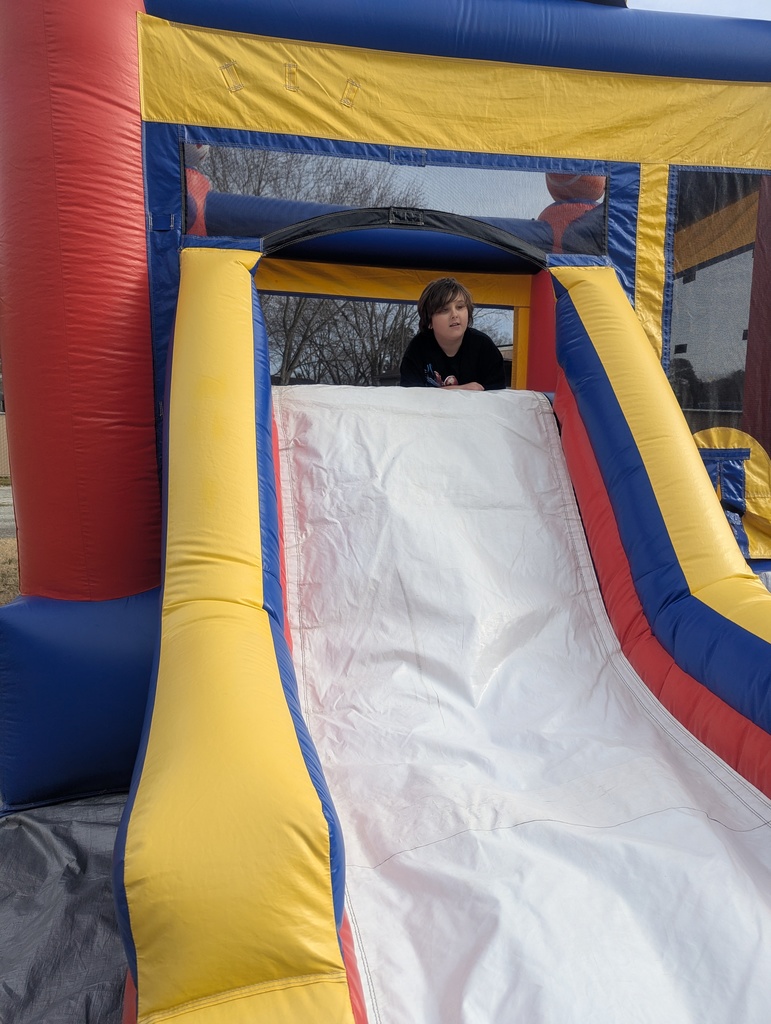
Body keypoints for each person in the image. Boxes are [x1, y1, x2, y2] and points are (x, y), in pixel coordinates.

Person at [399, 278, 506, 391]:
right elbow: (410, 398)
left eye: (460, 307)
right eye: (444, 310)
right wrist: (461, 390)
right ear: (429, 321)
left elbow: (497, 398)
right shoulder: (417, 349)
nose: (455, 314)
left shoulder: (485, 347)